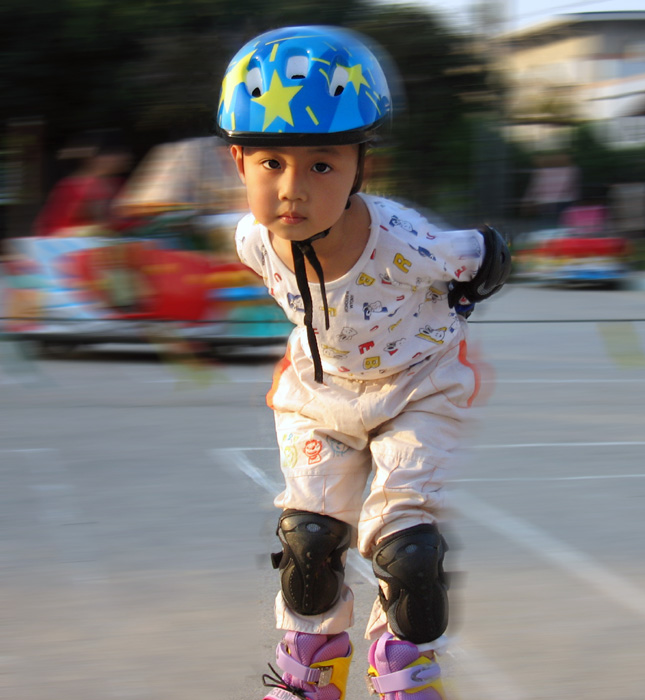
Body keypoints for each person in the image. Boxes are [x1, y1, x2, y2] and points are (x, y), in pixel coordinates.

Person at [217, 26, 511, 700]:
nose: (293, 189)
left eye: (322, 165)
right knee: (309, 543)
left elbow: (487, 254)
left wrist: (463, 298)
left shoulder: (407, 242)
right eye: (271, 164)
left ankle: (405, 674)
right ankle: (310, 675)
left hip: (420, 388)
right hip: (321, 395)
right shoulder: (251, 240)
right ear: (239, 161)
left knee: (406, 553)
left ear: (360, 167)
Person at [33, 130, 131, 237]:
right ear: (92, 158)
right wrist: (89, 230)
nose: (124, 157)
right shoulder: (70, 188)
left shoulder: (118, 184)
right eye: (114, 153)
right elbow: (50, 231)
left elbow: (127, 222)